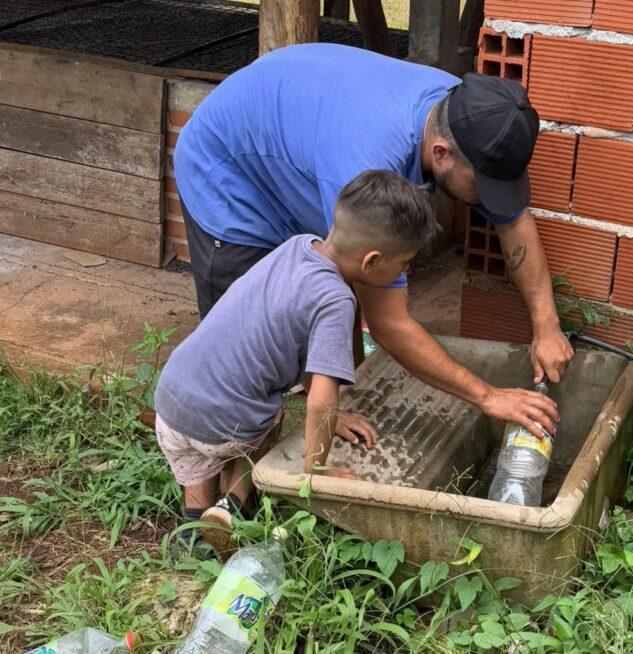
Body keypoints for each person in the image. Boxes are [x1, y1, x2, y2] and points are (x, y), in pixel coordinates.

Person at [174, 42, 571, 440]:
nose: (489, 199)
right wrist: (488, 397)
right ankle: (220, 467)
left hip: (302, 135)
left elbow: (513, 221)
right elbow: (388, 323)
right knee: (250, 351)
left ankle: (326, 412)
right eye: (483, 187)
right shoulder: (367, 161)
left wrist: (547, 326)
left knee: (330, 295)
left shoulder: (467, 116)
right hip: (229, 168)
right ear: (440, 153)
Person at [154, 170, 440, 558]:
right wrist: (316, 472)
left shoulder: (297, 246)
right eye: (403, 263)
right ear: (372, 261)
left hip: (171, 400)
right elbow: (321, 398)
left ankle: (194, 523)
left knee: (200, 444)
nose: (403, 272)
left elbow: (286, 330)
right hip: (224, 425)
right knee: (269, 417)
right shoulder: (336, 299)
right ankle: (233, 506)